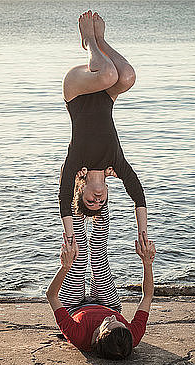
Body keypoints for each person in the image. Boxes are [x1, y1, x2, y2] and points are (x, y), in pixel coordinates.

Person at [59, 10, 148, 252]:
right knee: (128, 77)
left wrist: (70, 240)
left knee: (108, 73)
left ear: (82, 189)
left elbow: (64, 201)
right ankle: (101, 41)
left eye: (91, 200)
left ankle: (88, 40)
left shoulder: (77, 163)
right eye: (101, 201)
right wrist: (143, 236)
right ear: (107, 192)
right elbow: (138, 196)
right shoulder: (116, 164)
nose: (97, 199)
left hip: (76, 92)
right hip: (104, 94)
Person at [46, 230, 156, 360]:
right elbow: (147, 296)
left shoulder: (78, 336)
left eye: (109, 322)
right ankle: (98, 213)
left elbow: (52, 295)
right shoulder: (131, 336)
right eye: (121, 323)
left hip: (73, 307)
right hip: (109, 305)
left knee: (77, 259)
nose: (112, 317)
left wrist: (65, 267)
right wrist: (147, 263)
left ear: (99, 335)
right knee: (99, 257)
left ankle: (73, 223)